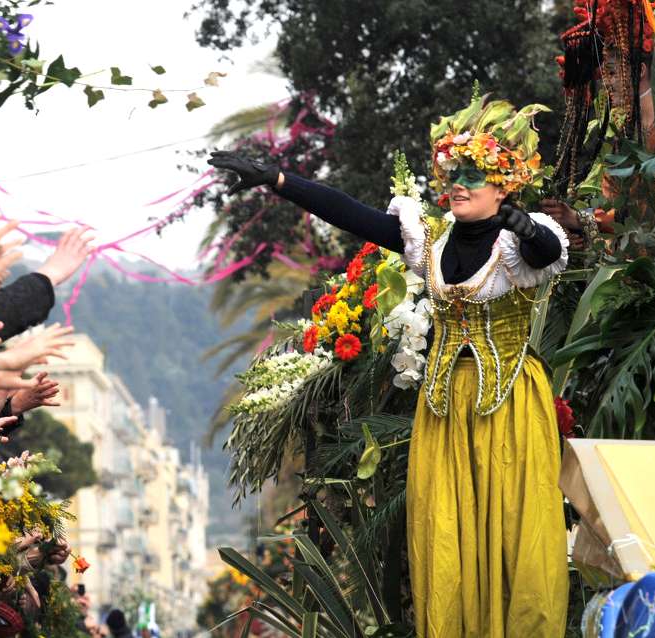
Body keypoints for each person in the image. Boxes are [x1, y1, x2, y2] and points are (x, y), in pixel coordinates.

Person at [209, 95, 570, 637]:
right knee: (444, 532)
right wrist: (277, 178)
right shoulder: (433, 239)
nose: (458, 184)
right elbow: (352, 213)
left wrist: (523, 224)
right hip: (444, 411)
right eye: (453, 172)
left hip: (509, 406)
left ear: (504, 181)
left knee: (517, 529)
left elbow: (546, 253)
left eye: (473, 173)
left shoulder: (520, 244)